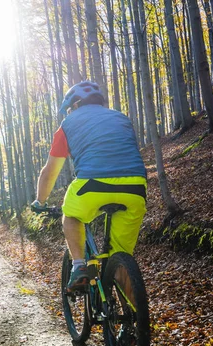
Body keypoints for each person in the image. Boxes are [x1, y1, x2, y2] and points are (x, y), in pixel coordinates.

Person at [31, 81, 147, 292]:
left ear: (73, 105)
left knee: (71, 215)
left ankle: (79, 267)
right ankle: (137, 320)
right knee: (120, 262)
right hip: (136, 188)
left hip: (92, 184)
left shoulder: (68, 123)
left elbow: (50, 172)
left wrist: (40, 201)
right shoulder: (121, 117)